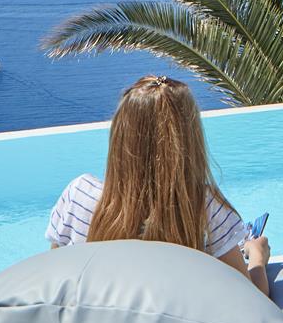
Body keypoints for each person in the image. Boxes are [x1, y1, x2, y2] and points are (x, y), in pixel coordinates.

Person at [45, 74, 271, 296]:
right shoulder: (202, 207)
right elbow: (252, 299)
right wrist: (258, 257)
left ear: (120, 135)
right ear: (190, 140)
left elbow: (53, 280)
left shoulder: (78, 194)